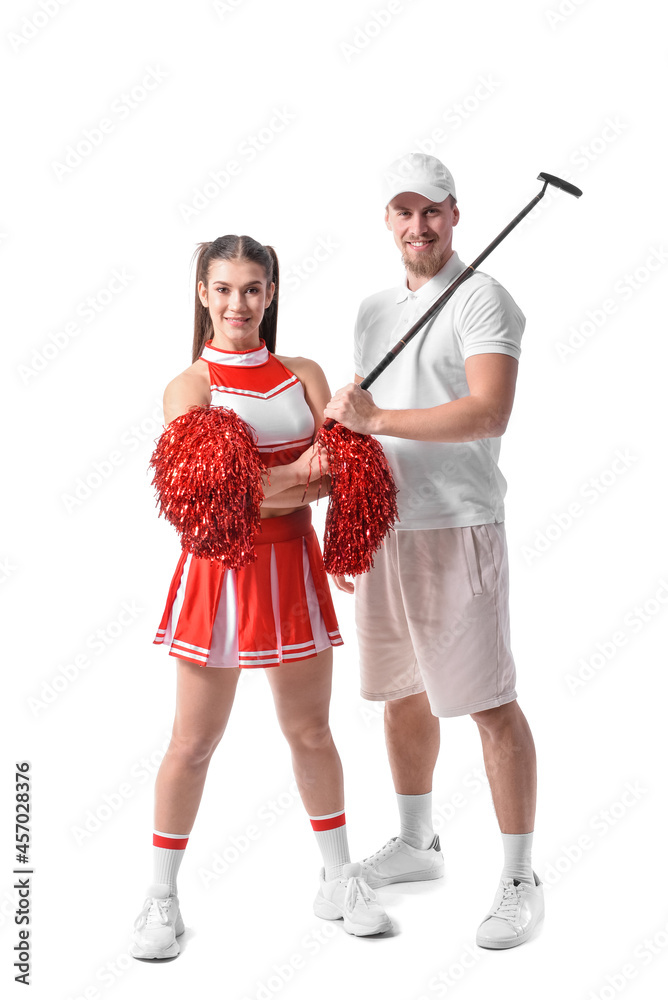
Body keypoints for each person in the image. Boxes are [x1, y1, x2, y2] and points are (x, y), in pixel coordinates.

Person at [131, 235, 391, 960]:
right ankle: (160, 899)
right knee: (193, 742)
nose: (237, 303)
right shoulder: (191, 386)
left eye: (251, 289)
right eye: (222, 289)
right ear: (202, 295)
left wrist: (306, 472)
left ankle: (340, 878)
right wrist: (295, 477)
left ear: (270, 294)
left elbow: (347, 472)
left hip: (292, 570)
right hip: (218, 575)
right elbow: (208, 505)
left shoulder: (302, 373)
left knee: (311, 732)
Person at [324, 154, 544, 950]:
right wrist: (347, 519)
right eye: (404, 212)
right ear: (387, 220)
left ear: (456, 215)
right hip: (386, 528)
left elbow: (489, 412)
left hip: (458, 525)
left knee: (487, 701)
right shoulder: (374, 309)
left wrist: (376, 420)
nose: (419, 226)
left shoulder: (483, 298)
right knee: (400, 694)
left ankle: (520, 876)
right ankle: (418, 845)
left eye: (433, 211)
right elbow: (356, 423)